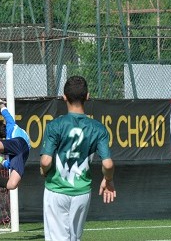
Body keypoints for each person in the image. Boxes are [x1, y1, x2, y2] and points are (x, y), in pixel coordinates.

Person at [40, 75, 116, 241]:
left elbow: (45, 161)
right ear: (87, 96)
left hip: (56, 190)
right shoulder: (98, 128)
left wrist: (44, 170)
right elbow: (108, 165)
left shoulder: (55, 125)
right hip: (82, 192)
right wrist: (108, 180)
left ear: (64, 97)